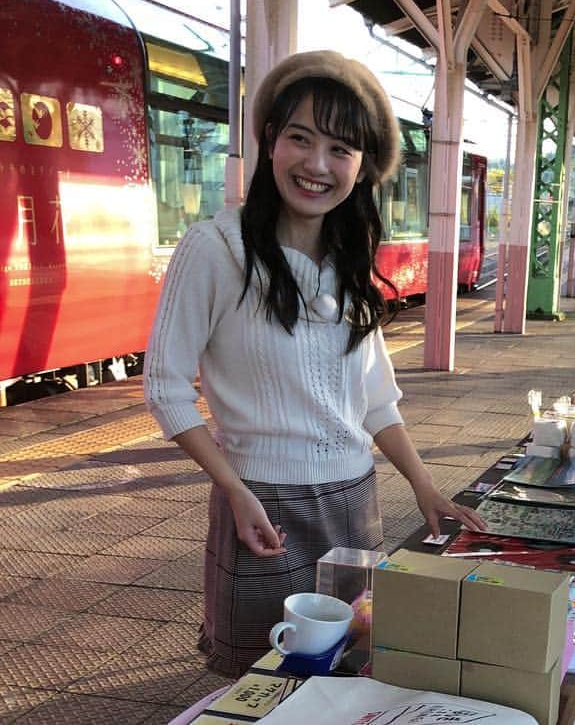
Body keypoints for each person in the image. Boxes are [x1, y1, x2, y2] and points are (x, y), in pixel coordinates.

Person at [143, 50, 484, 677]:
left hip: (356, 504)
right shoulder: (216, 248)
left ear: (362, 167)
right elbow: (164, 388)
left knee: (348, 668)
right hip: (262, 506)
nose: (317, 165)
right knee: (261, 679)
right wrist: (235, 490)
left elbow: (377, 402)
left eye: (341, 150)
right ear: (271, 141)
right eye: (300, 138)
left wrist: (425, 487)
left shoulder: (348, 265)